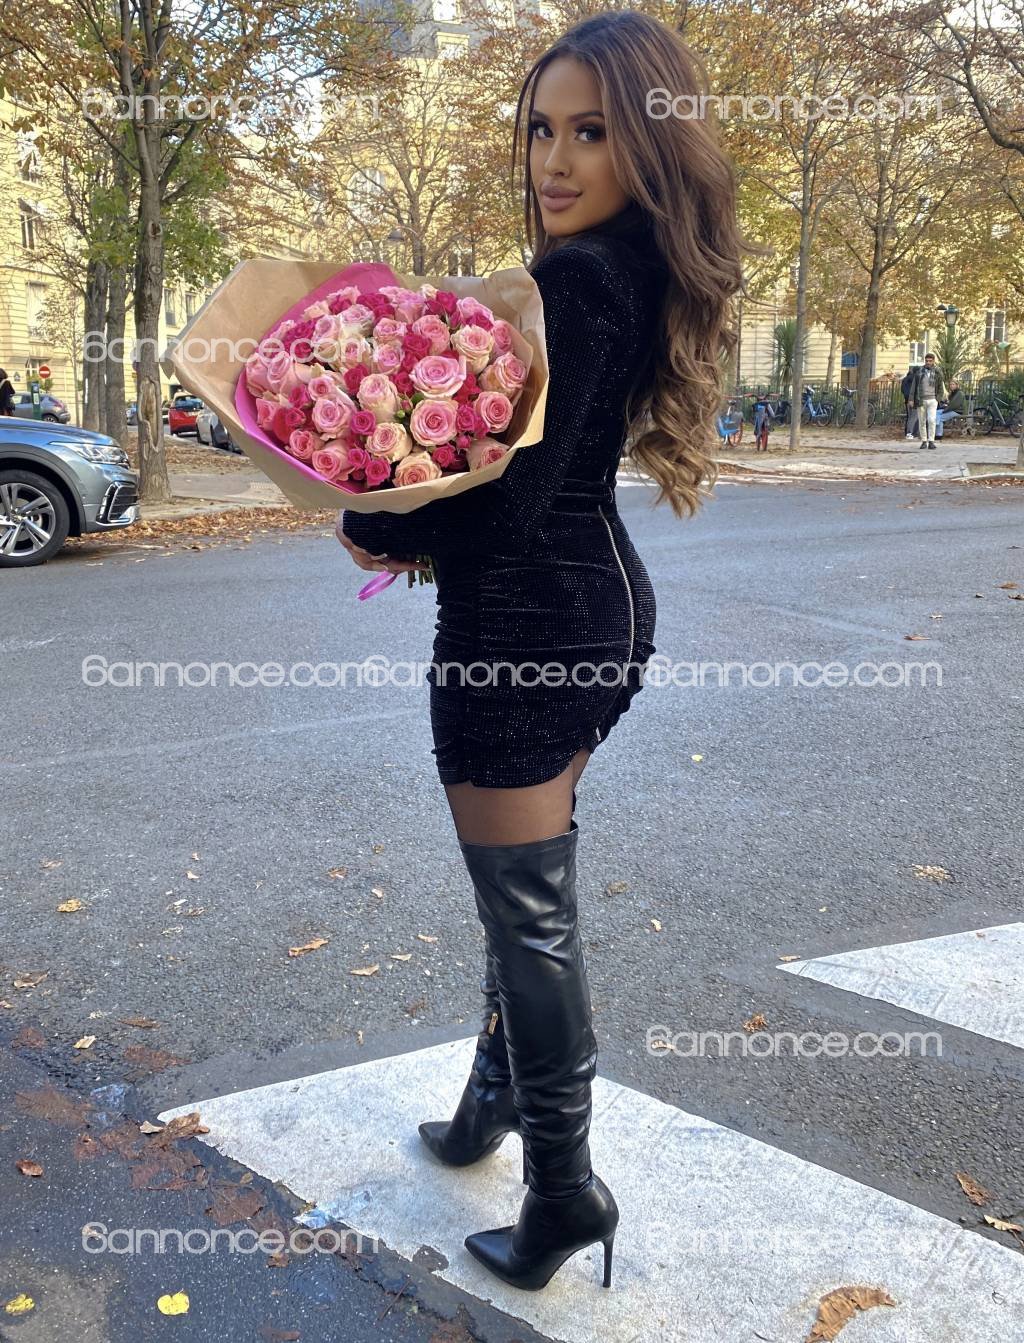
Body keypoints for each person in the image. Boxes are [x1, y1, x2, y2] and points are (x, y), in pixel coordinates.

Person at [336, 10, 745, 1293]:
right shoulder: (619, 268)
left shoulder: (578, 282)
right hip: (582, 616)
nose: (555, 160)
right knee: (519, 896)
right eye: (540, 130)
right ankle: (489, 1100)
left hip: (526, 634)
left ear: (648, 146)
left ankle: (564, 1190)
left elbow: (507, 503)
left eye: (592, 132)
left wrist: (371, 517)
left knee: (527, 913)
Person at [910, 352, 946, 450]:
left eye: (930, 361)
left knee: (932, 420)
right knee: (922, 421)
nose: (928, 362)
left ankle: (931, 441)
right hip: (921, 399)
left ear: (933, 361)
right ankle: (924, 441)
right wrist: (911, 399)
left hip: (933, 399)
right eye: (926, 361)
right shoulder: (919, 372)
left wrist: (938, 398)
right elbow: (914, 386)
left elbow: (941, 386)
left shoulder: (938, 372)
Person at [901, 365, 919, 440]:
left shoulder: (904, 379)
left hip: (907, 400)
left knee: (909, 417)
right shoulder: (916, 378)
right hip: (914, 400)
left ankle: (907, 432)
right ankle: (912, 433)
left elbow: (902, 390)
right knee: (915, 417)